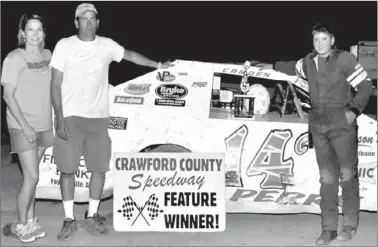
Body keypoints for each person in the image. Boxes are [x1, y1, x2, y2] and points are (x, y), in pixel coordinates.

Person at [50, 3, 173, 241]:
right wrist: (59, 118)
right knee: (68, 169)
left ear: (98, 22)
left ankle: (92, 215)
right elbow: (55, 84)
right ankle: (68, 218)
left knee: (99, 169)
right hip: (71, 117)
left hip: (98, 118)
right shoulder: (64, 46)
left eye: (92, 18)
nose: (87, 22)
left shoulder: (107, 45)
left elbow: (130, 55)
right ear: (76, 22)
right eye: (83, 18)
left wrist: (158, 66)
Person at [289, 23, 372, 245]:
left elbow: (365, 86)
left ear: (332, 40)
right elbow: (296, 78)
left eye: (324, 39)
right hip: (318, 126)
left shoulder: (345, 59)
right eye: (316, 39)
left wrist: (353, 112)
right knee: (327, 179)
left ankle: (350, 224)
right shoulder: (307, 61)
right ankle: (328, 228)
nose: (320, 43)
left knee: (347, 175)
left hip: (342, 125)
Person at [1, 13, 53, 243]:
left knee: (33, 177)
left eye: (39, 29)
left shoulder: (48, 55)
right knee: (32, 178)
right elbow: (8, 96)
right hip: (23, 125)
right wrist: (25, 127)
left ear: (44, 33)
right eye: (30, 30)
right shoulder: (14, 58)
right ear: (22, 33)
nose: (35, 34)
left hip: (44, 124)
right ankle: (20, 225)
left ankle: (30, 219)